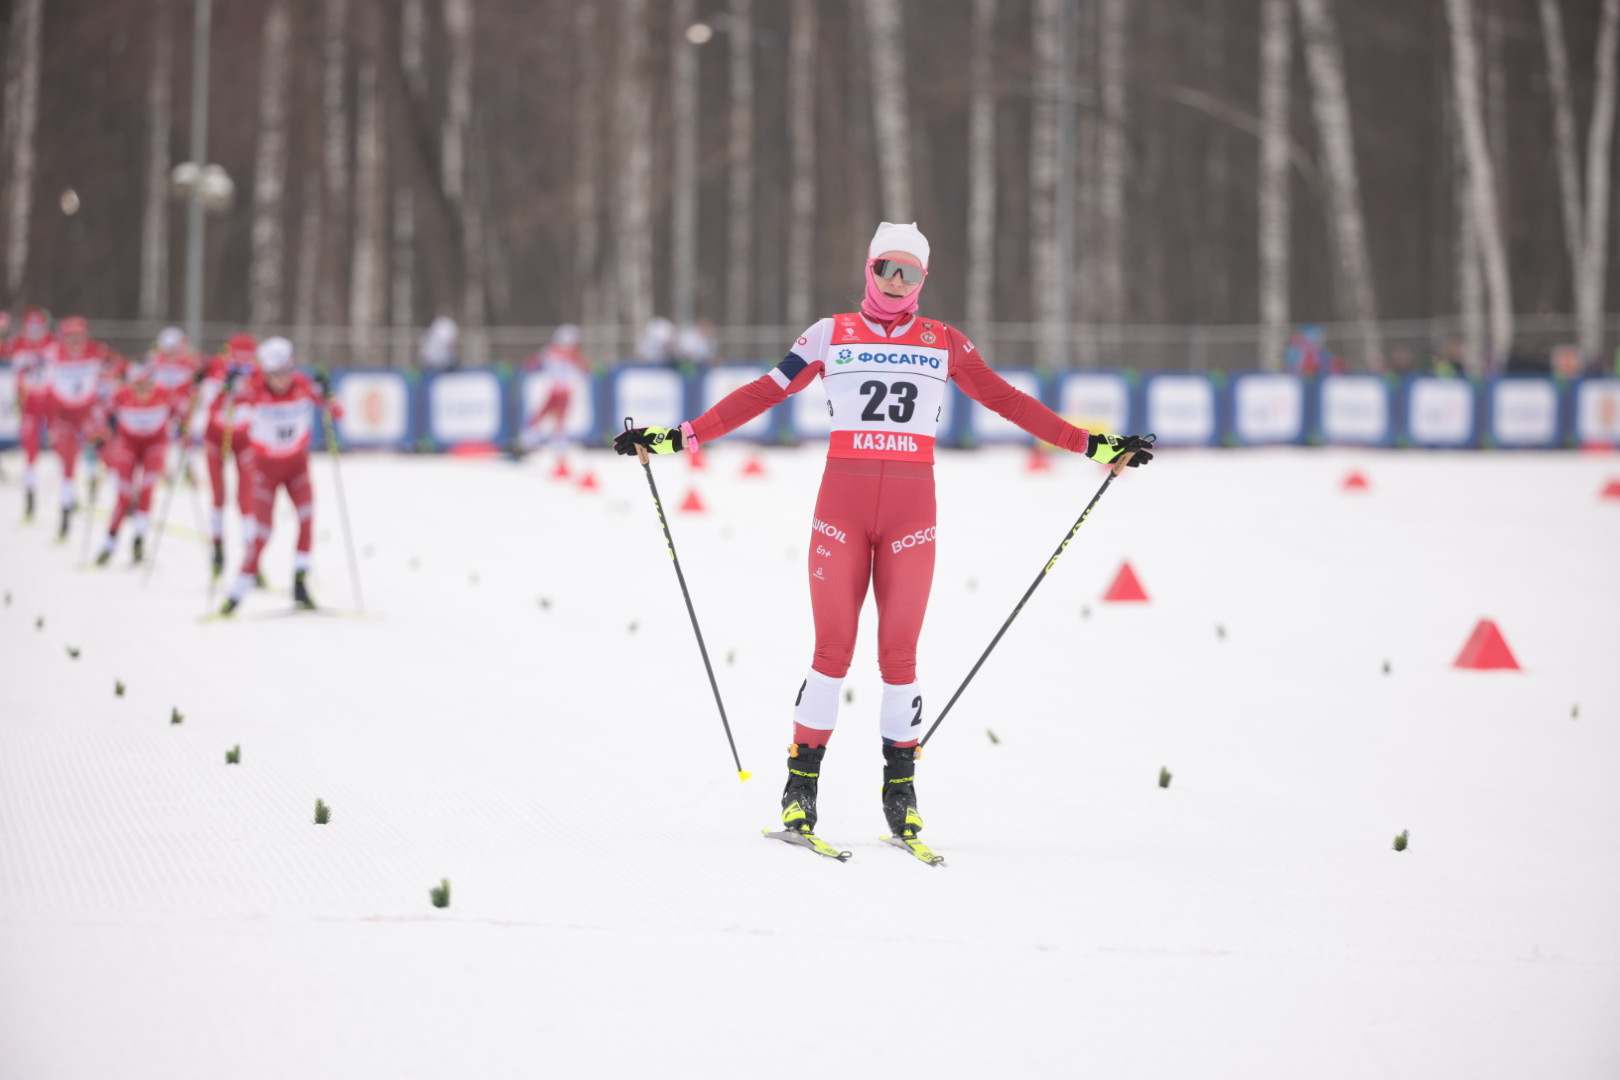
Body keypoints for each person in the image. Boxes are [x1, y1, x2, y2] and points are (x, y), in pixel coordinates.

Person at [613, 221, 1154, 853]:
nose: (895, 282)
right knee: (832, 650)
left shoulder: (945, 342)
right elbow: (765, 391)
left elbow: (1008, 401)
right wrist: (678, 436)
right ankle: (800, 791)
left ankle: (901, 794)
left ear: (923, 280)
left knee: (899, 655)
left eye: (909, 273)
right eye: (885, 269)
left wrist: (1093, 444)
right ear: (868, 269)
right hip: (840, 509)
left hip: (910, 513)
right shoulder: (828, 333)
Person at [218, 337, 341, 616]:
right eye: (275, 375)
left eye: (286, 372)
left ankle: (300, 585)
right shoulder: (254, 389)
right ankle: (236, 595)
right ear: (265, 372)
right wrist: (228, 387)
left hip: (297, 467)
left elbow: (337, 412)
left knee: (307, 520)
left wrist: (329, 393)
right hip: (265, 471)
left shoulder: (302, 385)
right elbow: (225, 404)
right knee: (262, 534)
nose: (282, 380)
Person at [93, 355, 174, 565]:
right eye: (137, 387)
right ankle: (109, 543)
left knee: (147, 490)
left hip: (155, 445)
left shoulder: (163, 394)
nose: (143, 392)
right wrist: (100, 437)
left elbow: (182, 409)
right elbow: (100, 414)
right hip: (129, 444)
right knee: (124, 494)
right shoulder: (120, 395)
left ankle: (139, 541)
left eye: (147, 386)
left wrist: (185, 422)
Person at [191, 333, 259, 577]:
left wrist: (245, 391)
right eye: (237, 360)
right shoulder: (217, 368)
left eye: (247, 360)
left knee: (247, 496)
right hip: (216, 438)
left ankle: (252, 555)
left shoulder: (258, 373)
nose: (242, 365)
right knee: (219, 494)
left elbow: (262, 400)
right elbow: (209, 405)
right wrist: (223, 389)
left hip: (243, 439)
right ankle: (218, 547)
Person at [45, 316, 110, 539]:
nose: (75, 342)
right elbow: (45, 386)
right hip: (64, 415)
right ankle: (65, 514)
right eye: (71, 337)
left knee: (103, 445)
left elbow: (117, 366)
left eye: (79, 337)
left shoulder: (96, 351)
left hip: (87, 411)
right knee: (68, 463)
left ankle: (100, 482)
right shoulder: (53, 353)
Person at [2, 307, 57, 520]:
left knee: (62, 447)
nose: (35, 333)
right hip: (29, 404)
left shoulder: (53, 342)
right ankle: (30, 499)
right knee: (30, 451)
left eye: (39, 328)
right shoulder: (17, 343)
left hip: (52, 403)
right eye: (31, 328)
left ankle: (69, 497)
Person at [518, 324, 590, 458]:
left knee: (552, 419)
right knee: (550, 419)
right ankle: (533, 444)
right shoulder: (559, 353)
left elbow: (535, 364)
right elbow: (535, 363)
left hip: (561, 391)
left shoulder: (558, 352)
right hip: (559, 391)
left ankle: (549, 447)